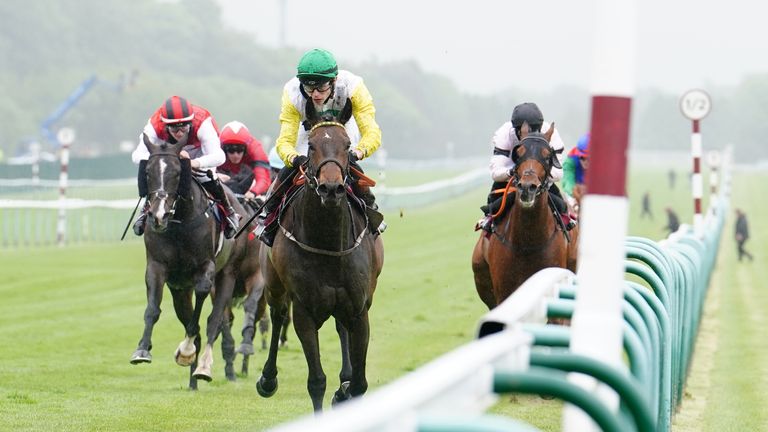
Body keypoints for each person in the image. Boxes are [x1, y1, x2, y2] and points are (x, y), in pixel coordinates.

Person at [257, 48, 384, 246]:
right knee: (287, 172)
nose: (315, 95)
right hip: (308, 132)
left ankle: (371, 211)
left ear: (334, 81)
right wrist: (294, 159)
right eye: (308, 88)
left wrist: (357, 153)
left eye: (321, 88)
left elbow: (372, 133)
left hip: (342, 127)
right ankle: (268, 218)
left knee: (349, 166)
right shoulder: (291, 93)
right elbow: (284, 142)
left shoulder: (354, 87)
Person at [131, 95, 240, 238]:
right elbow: (137, 156)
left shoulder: (203, 123)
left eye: (184, 127)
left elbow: (219, 157)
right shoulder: (154, 124)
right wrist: (165, 157)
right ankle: (145, 209)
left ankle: (228, 211)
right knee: (153, 173)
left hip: (199, 153)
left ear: (190, 122)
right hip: (169, 155)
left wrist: (194, 163)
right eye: (174, 129)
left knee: (207, 176)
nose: (180, 132)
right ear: (165, 125)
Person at [477, 102, 571, 232]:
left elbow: (557, 173)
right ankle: (489, 220)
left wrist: (535, 176)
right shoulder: (504, 134)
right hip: (511, 175)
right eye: (526, 130)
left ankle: (567, 222)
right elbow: (495, 173)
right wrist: (515, 173)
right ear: (516, 129)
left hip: (541, 178)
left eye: (534, 130)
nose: (530, 134)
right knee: (493, 202)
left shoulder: (551, 134)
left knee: (561, 206)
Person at [217, 121, 270, 201]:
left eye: (239, 150)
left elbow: (263, 179)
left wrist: (253, 193)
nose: (235, 155)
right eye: (231, 150)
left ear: (246, 149)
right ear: (224, 149)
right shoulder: (216, 148)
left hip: (246, 181)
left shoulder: (256, 149)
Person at [561, 133, 589, 209]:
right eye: (582, 158)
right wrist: (574, 193)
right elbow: (567, 182)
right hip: (575, 193)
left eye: (589, 158)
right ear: (578, 154)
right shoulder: (570, 161)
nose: (586, 161)